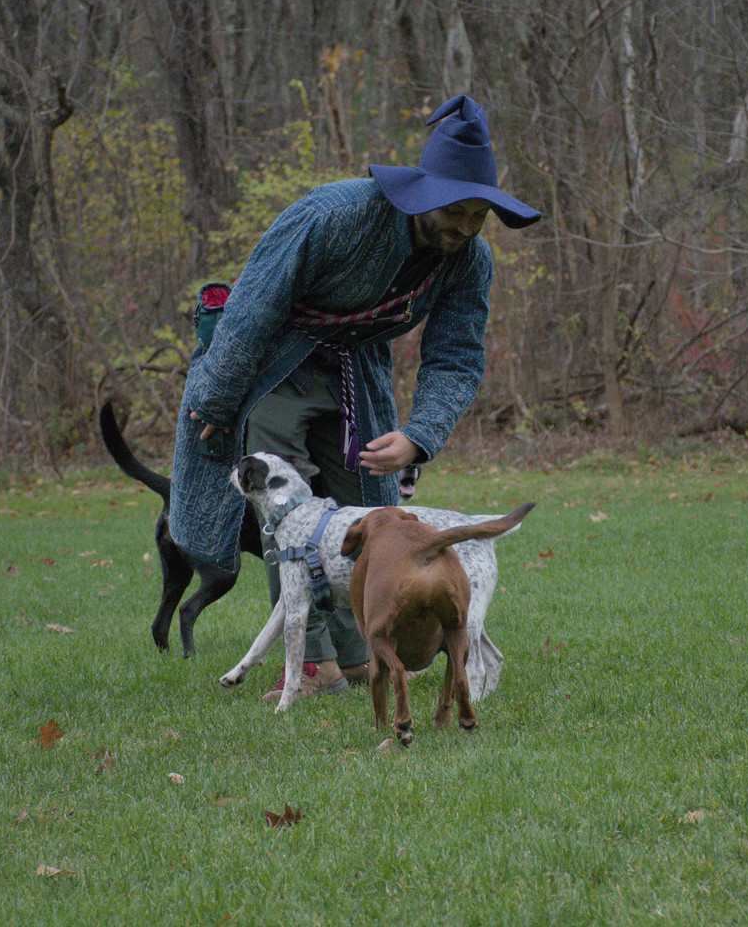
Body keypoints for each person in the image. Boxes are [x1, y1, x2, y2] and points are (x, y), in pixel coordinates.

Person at [171, 94, 541, 701]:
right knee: (289, 512)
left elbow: (455, 356)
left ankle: (361, 654)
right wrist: (215, 400)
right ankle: (313, 667)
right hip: (275, 362)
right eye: (456, 210)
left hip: (356, 370)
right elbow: (253, 306)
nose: (466, 226)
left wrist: (419, 437)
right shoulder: (336, 215)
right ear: (422, 194)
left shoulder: (470, 261)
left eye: (479, 215)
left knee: (364, 511)